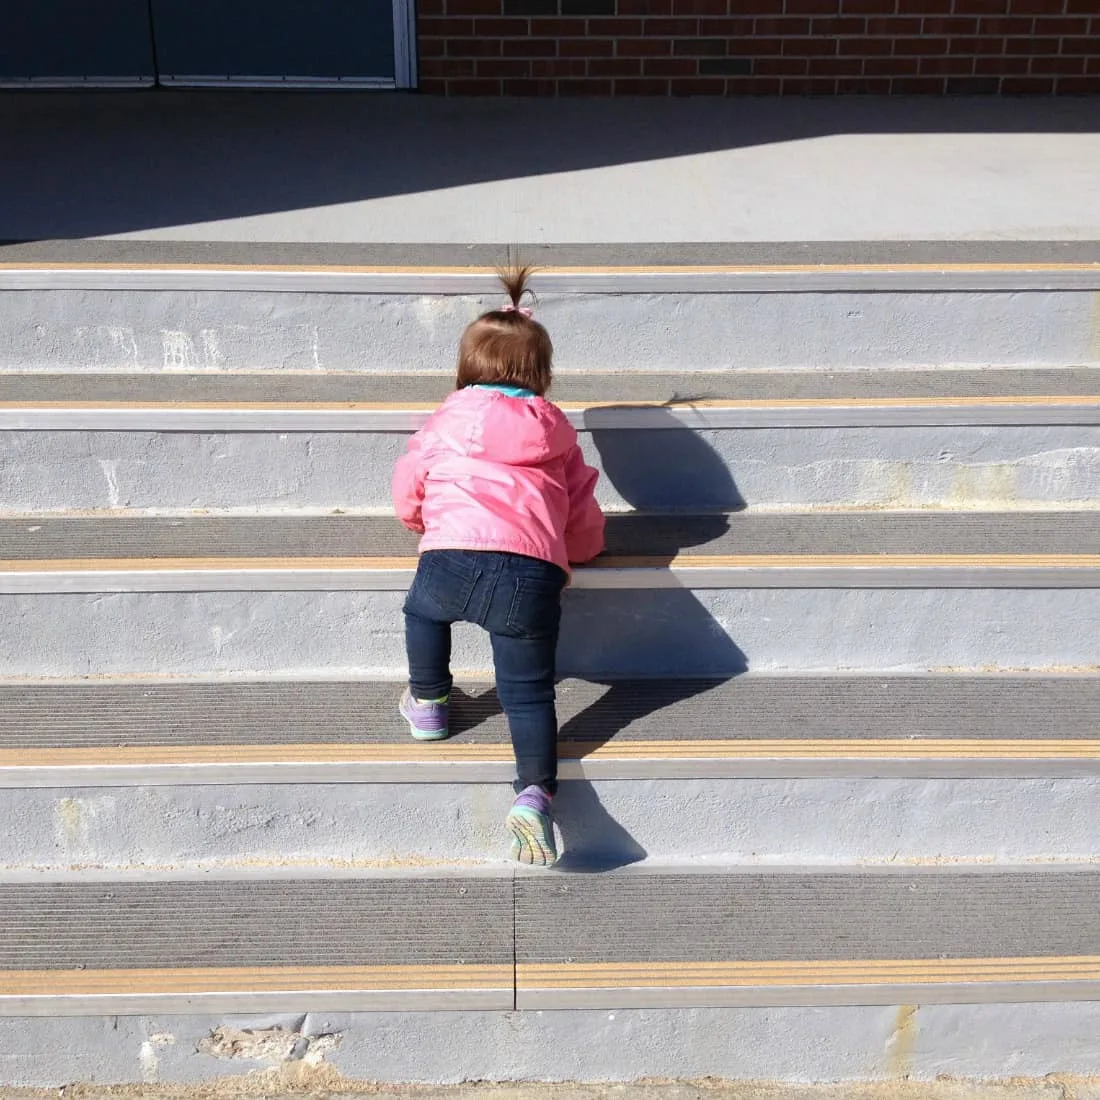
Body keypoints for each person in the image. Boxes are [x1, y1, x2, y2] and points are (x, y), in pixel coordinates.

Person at [392, 266, 606, 867]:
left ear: (466, 370)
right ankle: (534, 792)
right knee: (529, 694)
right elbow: (580, 503)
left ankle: (430, 702)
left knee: (421, 613)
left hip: (450, 552)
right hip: (529, 571)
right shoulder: (555, 432)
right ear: (541, 375)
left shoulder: (445, 420)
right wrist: (585, 550)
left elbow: (412, 480)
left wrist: (419, 521)